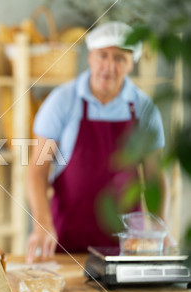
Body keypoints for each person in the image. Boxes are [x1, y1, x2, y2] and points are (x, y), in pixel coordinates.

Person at [26, 21, 167, 262]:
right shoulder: (61, 102)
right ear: (90, 58)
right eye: (103, 56)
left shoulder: (144, 108)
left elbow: (154, 177)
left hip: (127, 246)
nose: (109, 67)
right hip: (67, 239)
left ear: (131, 63)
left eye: (120, 58)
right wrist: (42, 223)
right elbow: (37, 171)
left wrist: (160, 231)